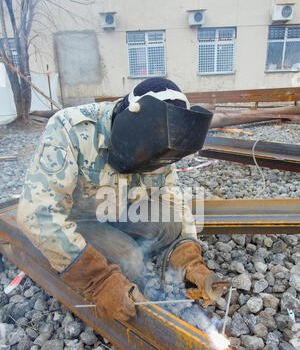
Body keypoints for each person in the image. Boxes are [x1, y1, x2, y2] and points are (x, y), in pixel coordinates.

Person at [17, 77, 226, 322]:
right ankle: (100, 254)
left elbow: (173, 199)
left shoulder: (162, 140)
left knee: (171, 224)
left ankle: (125, 248)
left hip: (115, 212)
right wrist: (100, 280)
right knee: (132, 262)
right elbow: (38, 215)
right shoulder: (71, 128)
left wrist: (191, 260)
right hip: (76, 219)